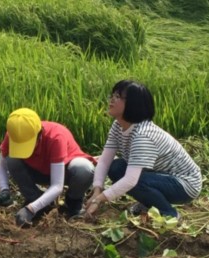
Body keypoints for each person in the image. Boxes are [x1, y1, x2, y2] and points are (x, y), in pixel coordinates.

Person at [84, 80, 202, 219]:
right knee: (116, 167)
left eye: (118, 97)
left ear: (133, 104)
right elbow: (104, 161)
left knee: (136, 181)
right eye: (112, 95)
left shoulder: (143, 135)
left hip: (185, 184)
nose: (112, 100)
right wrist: (97, 190)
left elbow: (130, 180)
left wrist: (99, 199)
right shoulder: (118, 125)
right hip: (158, 176)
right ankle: (149, 203)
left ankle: (169, 213)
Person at [0, 108, 96, 226]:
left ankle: (72, 202)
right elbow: (2, 166)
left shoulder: (56, 137)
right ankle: (35, 199)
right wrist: (4, 190)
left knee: (84, 169)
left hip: (64, 172)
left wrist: (30, 209)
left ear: (39, 135)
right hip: (36, 171)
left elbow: (57, 186)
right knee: (11, 159)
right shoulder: (14, 134)